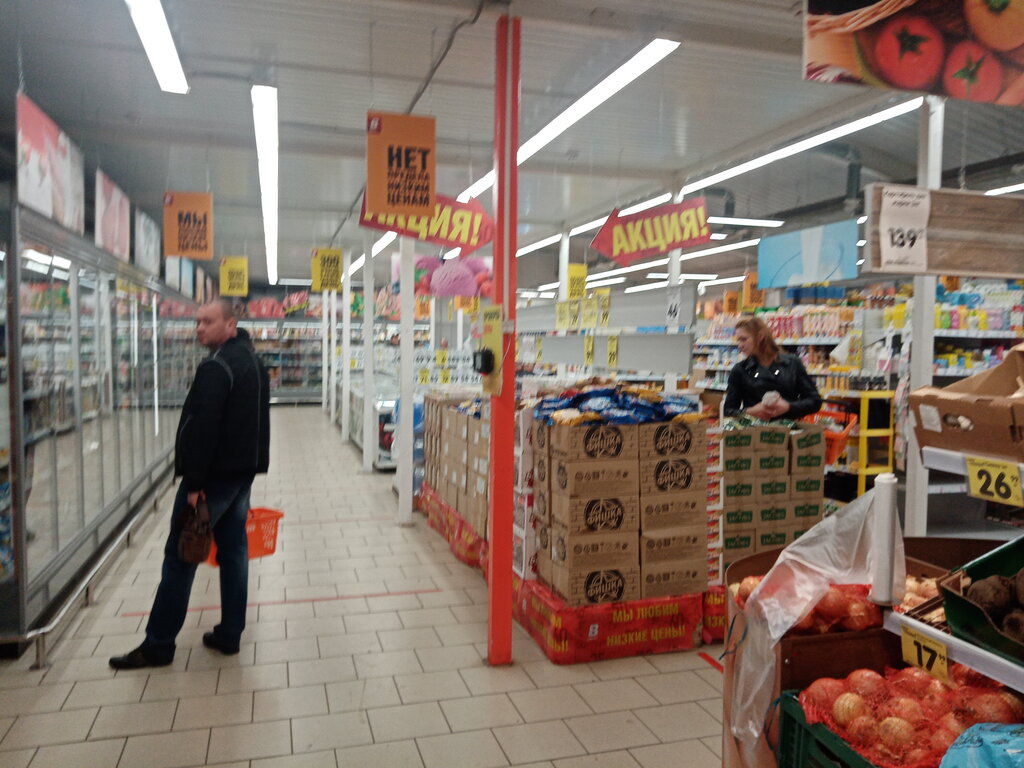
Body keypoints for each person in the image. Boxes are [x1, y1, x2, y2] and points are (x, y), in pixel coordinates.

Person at [110, 299, 270, 669]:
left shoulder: (217, 367)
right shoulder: (254, 362)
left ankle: (158, 644)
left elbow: (202, 428)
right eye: (197, 321)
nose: (199, 327)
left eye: (207, 321)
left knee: (181, 556)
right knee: (234, 552)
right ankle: (230, 634)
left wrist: (195, 483)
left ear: (230, 324)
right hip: (240, 476)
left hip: (211, 480)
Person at [723, 315, 822, 421]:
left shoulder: (792, 364)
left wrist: (789, 407)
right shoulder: (740, 370)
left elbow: (815, 401)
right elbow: (728, 410)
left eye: (744, 339)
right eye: (738, 340)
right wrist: (751, 411)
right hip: (753, 429)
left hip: (788, 429)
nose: (740, 345)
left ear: (760, 336)